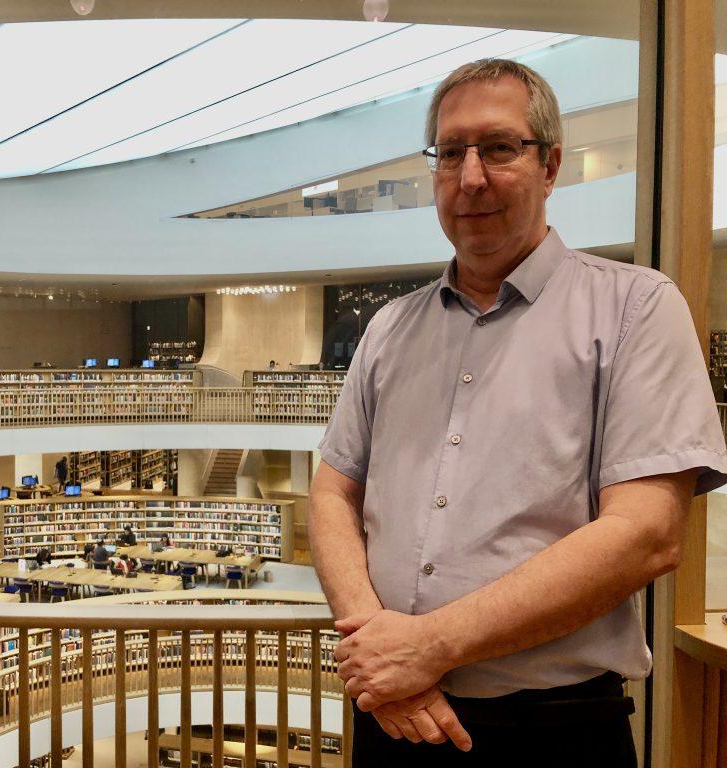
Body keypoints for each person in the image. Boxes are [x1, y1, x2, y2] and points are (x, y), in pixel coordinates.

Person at [310, 58, 727, 768]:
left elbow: (647, 534)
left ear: (551, 165)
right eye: (449, 154)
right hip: (392, 722)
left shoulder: (635, 309)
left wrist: (428, 647)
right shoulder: (389, 330)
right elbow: (332, 490)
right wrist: (380, 644)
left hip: (554, 734)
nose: (470, 177)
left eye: (499, 148)